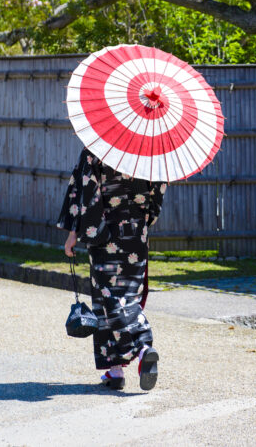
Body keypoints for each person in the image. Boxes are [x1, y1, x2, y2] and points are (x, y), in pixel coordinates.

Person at [57, 147, 166, 391]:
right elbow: (158, 191)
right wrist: (144, 219)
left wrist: (74, 233)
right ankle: (115, 369)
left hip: (104, 231)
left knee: (108, 296)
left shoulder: (96, 147)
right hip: (136, 233)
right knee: (128, 293)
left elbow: (86, 192)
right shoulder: (151, 148)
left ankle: (141, 347)